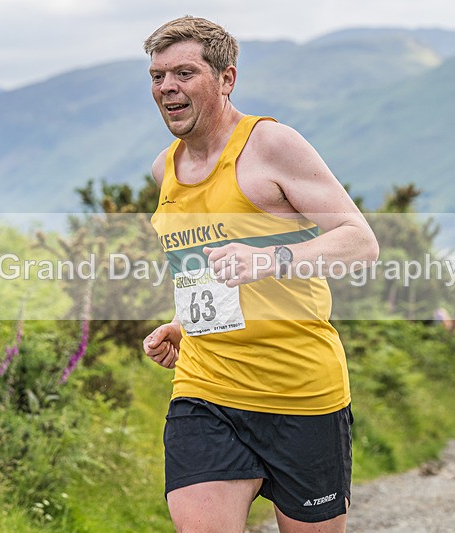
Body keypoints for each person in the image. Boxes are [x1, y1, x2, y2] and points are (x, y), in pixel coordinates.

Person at [140, 16, 379, 532]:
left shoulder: (270, 145)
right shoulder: (166, 169)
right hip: (206, 388)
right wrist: (186, 323)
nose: (167, 87)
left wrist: (273, 259)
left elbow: (360, 241)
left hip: (300, 392)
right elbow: (205, 267)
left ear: (226, 78)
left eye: (184, 73)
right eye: (158, 76)